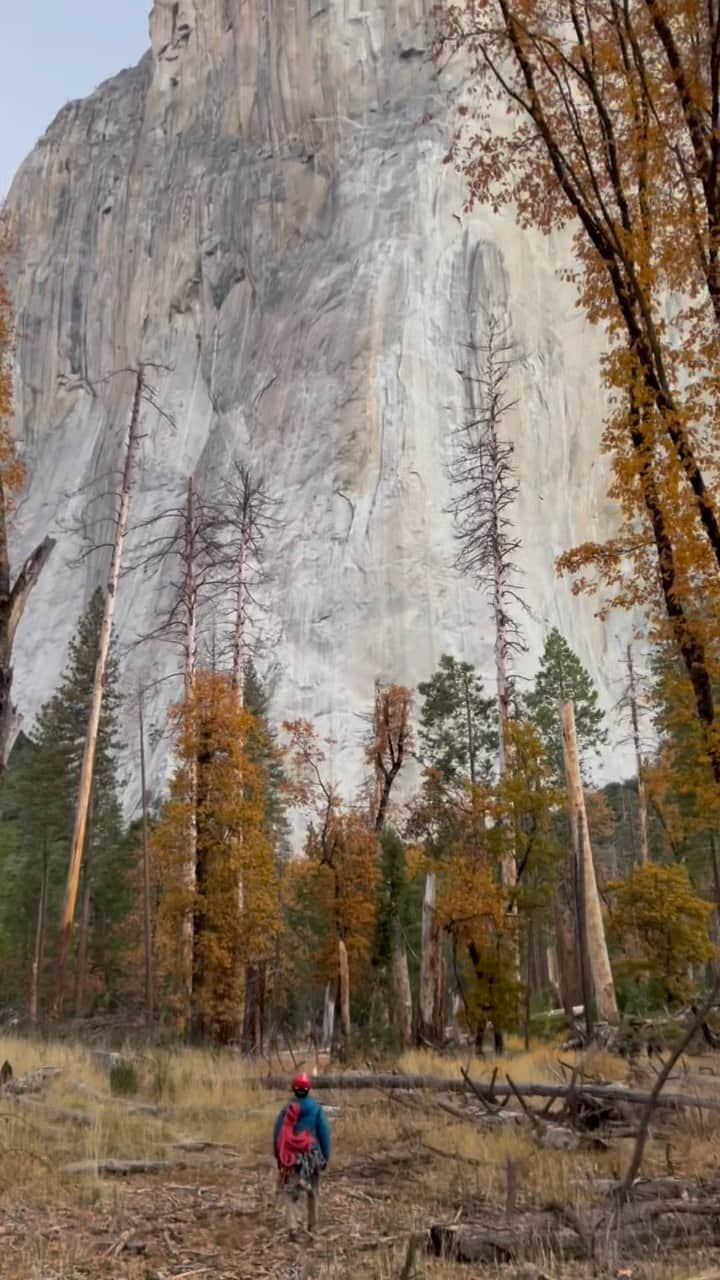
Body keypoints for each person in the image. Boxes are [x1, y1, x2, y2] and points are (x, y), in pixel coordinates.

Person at [273, 1071, 330, 1237]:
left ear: (293, 1090)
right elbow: (324, 1134)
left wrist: (278, 1157)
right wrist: (325, 1157)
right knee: (314, 1190)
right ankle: (312, 1225)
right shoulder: (317, 1110)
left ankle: (292, 1226)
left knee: (289, 1191)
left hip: (291, 1158)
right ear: (308, 1090)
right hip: (311, 1156)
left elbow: (278, 1135)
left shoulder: (286, 1110)